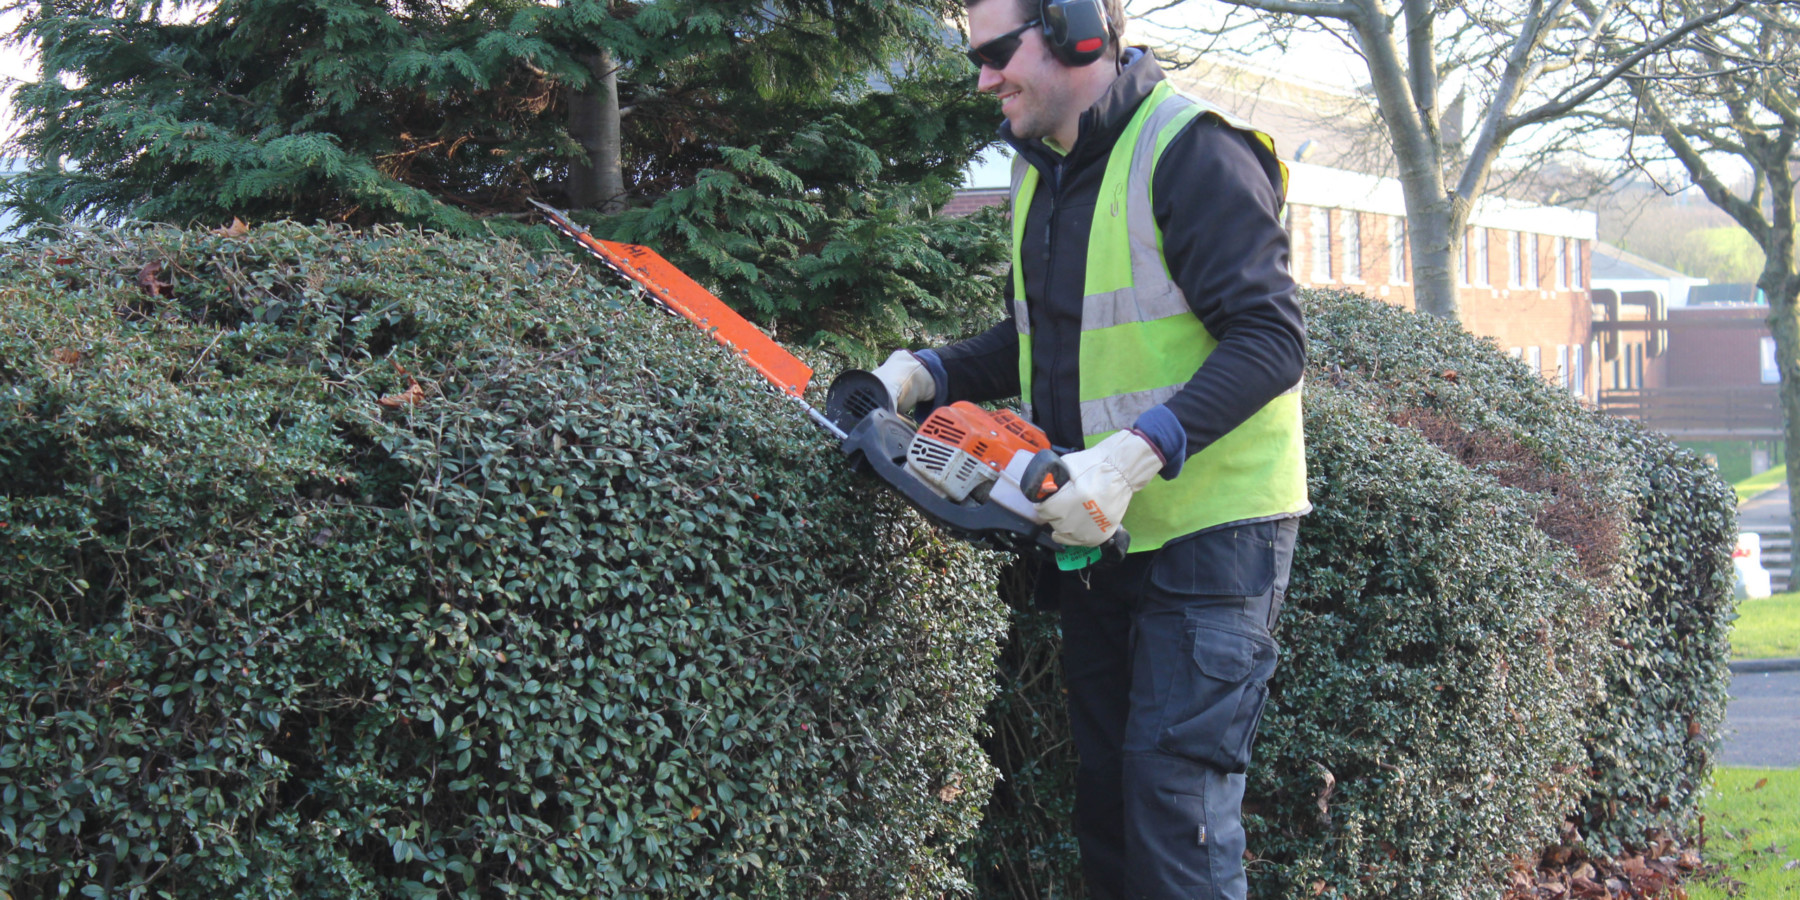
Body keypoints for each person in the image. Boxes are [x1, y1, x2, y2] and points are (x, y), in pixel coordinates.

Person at [868, 1, 1310, 897]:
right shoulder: (1047, 171)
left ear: (1075, 29)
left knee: (1174, 816)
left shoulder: (1192, 150)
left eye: (997, 54)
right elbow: (1040, 338)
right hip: (1099, 536)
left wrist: (1133, 453)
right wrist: (923, 372)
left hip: (1212, 537)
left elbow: (1270, 338)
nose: (985, 78)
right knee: (1107, 815)